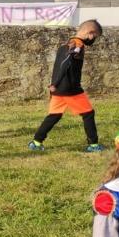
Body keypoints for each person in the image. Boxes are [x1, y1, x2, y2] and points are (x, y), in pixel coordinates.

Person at [29, 20, 105, 153]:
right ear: (90, 33)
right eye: (95, 37)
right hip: (69, 89)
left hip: (59, 89)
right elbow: (66, 63)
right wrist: (55, 83)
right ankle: (93, 145)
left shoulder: (66, 43)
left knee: (54, 115)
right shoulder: (78, 45)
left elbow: (59, 64)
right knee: (88, 114)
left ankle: (36, 142)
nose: (93, 40)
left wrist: (55, 85)